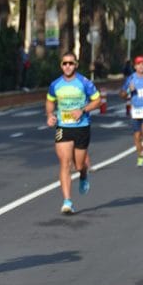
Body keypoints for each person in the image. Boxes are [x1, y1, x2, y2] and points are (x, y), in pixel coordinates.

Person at [45, 52, 101, 215]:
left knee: (79, 166)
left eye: (70, 63)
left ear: (76, 65)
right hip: (63, 127)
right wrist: (50, 115)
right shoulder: (55, 84)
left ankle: (83, 175)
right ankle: (67, 201)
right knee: (64, 163)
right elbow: (49, 101)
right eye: (64, 63)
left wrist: (83, 109)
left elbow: (97, 101)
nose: (67, 66)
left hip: (82, 126)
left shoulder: (84, 82)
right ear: (61, 65)